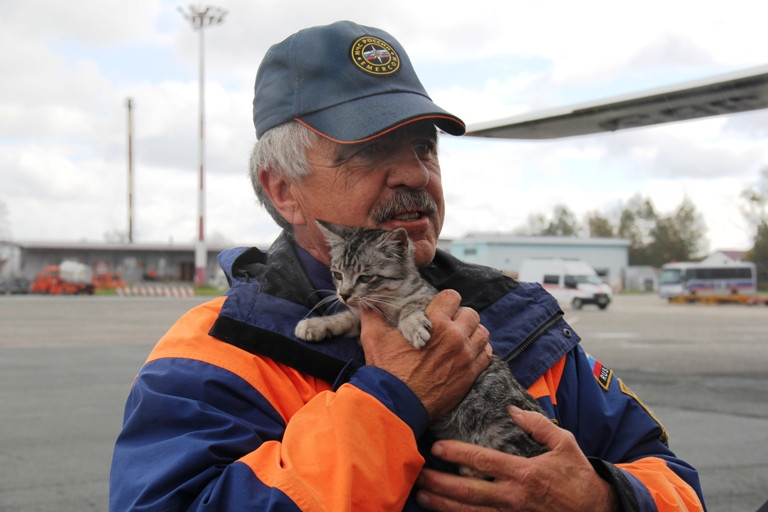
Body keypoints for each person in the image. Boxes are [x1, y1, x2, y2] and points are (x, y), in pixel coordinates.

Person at [109, 20, 706, 511]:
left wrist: (604, 498)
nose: (417, 175)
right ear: (284, 190)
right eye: (369, 152)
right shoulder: (217, 354)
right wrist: (388, 401)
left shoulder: (523, 324)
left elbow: (674, 482)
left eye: (425, 147)